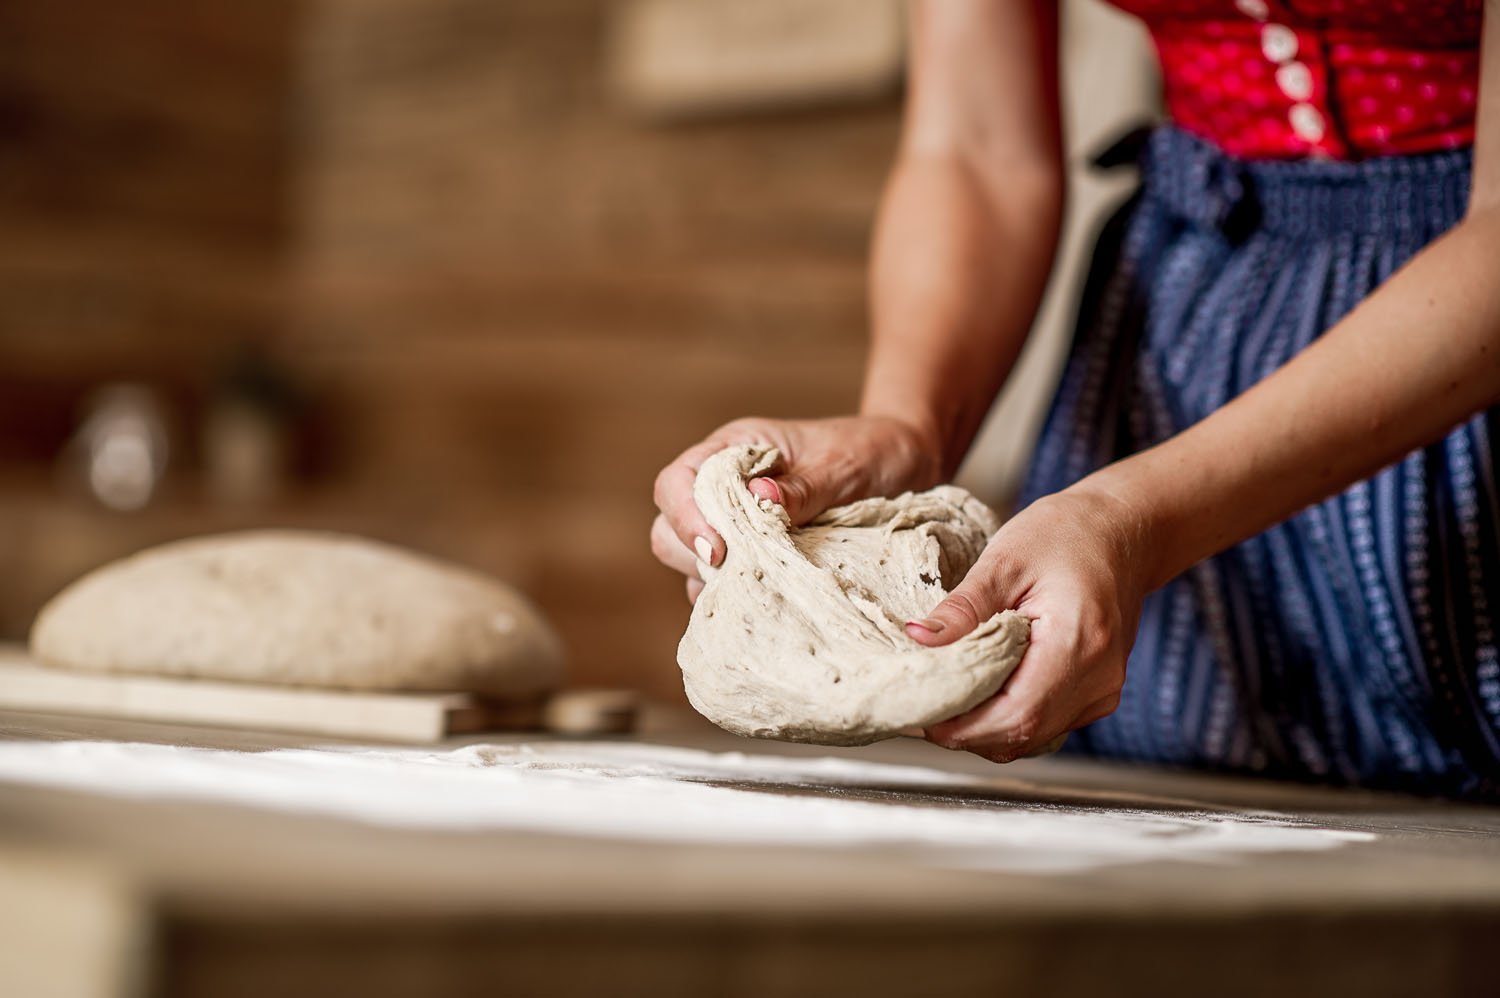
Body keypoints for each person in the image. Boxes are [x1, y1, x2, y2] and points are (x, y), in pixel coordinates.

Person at [651, 0, 1500, 799]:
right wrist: (905, 425)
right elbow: (977, 148)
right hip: (1187, 335)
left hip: (1456, 352)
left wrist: (1135, 520)